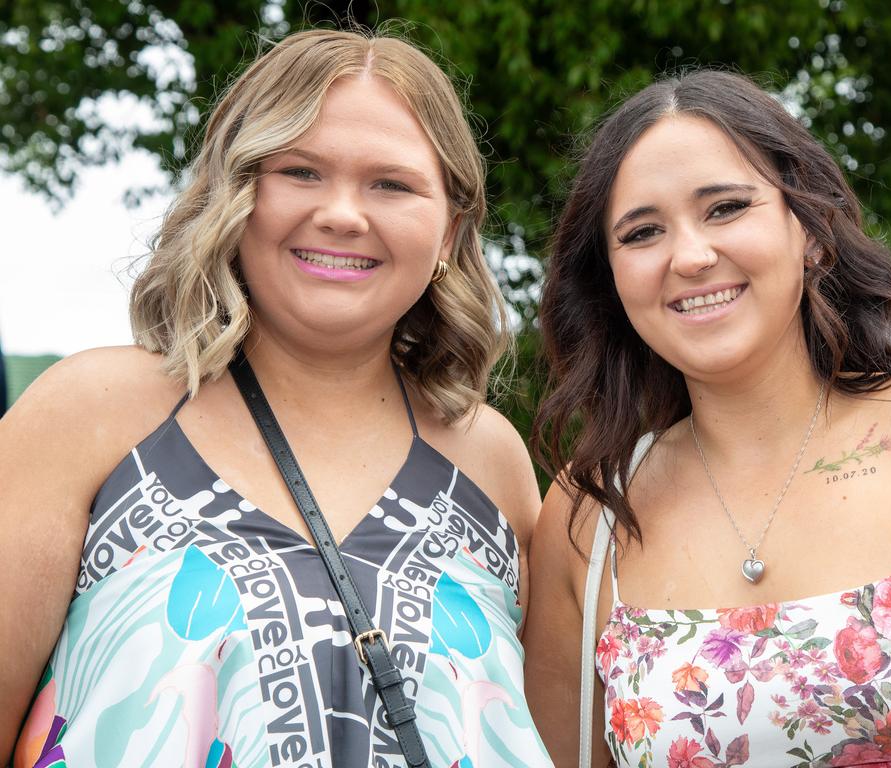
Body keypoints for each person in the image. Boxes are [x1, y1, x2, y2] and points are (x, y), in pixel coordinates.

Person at [1, 29, 552, 768]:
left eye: (391, 184)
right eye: (301, 171)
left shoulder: (489, 458)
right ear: (235, 195)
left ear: (450, 228)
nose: (343, 214)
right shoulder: (93, 412)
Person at [524, 70, 891, 767]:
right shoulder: (590, 513)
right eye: (642, 232)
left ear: (812, 232)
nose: (691, 256)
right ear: (609, 278)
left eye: (725, 208)